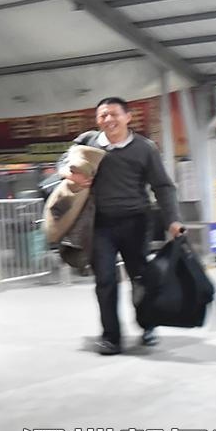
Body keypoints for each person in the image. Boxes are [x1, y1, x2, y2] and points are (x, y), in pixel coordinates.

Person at [61, 97, 184, 356]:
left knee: (140, 279)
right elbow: (63, 162)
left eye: (114, 114)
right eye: (103, 115)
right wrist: (68, 173)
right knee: (105, 281)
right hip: (99, 225)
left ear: (128, 117)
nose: (108, 119)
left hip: (136, 222)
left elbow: (163, 186)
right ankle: (111, 337)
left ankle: (148, 324)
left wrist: (173, 220)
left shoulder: (145, 148)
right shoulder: (88, 142)